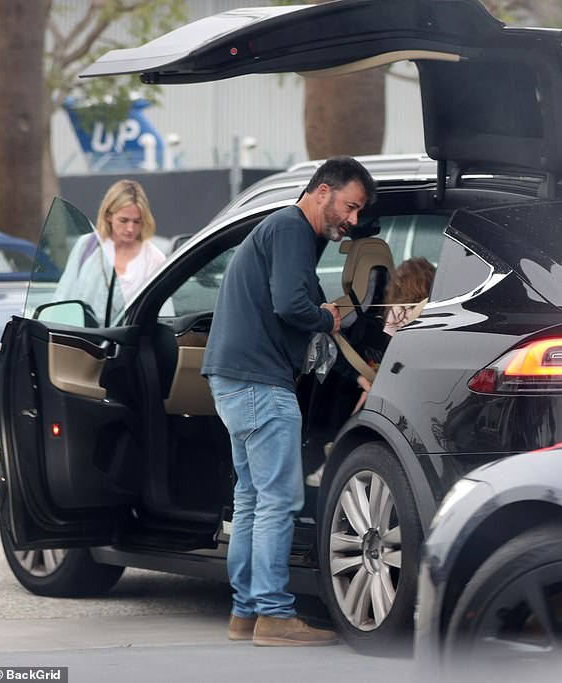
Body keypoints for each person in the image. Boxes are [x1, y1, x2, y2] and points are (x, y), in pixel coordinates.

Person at [202, 156, 376, 646]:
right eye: (350, 206)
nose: (353, 220)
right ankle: (274, 616)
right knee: (278, 500)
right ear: (323, 191)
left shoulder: (287, 235)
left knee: (253, 500)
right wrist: (330, 319)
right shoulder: (291, 228)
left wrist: (352, 373)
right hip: (260, 384)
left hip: (234, 380)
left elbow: (303, 308)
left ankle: (245, 613)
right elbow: (294, 307)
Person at [305, 256, 436, 487]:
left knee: (365, 398)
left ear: (400, 285)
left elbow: (389, 347)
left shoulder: (396, 311)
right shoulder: (427, 311)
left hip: (389, 374)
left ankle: (336, 453)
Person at [54, 179, 165, 324]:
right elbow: (62, 298)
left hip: (129, 343)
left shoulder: (153, 258)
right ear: (108, 215)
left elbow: (162, 316)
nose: (130, 228)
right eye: (124, 220)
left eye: (137, 221)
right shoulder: (88, 246)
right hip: (83, 341)